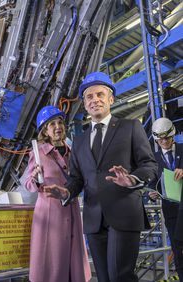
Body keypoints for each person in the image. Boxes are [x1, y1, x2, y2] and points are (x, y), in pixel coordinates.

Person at [44, 72, 158, 282]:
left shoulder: (131, 127)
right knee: (105, 278)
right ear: (85, 104)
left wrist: (131, 179)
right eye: (89, 97)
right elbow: (77, 178)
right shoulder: (78, 141)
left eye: (100, 94)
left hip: (123, 214)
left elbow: (149, 165)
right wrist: (67, 191)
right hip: (94, 219)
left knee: (119, 277)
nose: (95, 100)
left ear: (110, 99)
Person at [23, 105, 91, 282]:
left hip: (72, 210)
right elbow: (28, 184)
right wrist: (36, 179)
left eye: (60, 122)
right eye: (52, 124)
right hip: (49, 215)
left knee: (73, 266)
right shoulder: (38, 153)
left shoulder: (73, 152)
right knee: (52, 267)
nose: (57, 126)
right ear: (45, 130)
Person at [148, 117, 183, 278]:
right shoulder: (153, 159)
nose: (164, 142)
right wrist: (152, 194)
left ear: (173, 135)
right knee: (178, 249)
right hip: (171, 212)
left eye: (167, 138)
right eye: (160, 139)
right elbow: (153, 183)